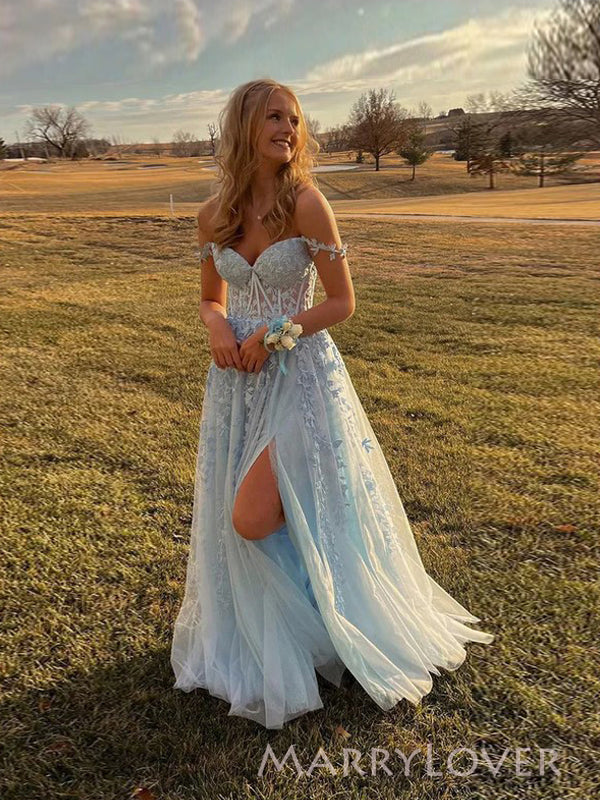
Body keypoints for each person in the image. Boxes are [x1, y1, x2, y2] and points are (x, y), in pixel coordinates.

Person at [170, 78, 494, 729]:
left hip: (301, 376)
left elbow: (342, 302)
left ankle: (339, 601)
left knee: (252, 517)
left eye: (294, 119)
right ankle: (296, 623)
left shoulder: (308, 204)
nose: (288, 129)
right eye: (274, 117)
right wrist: (216, 325)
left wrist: (276, 332)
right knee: (248, 512)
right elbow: (210, 298)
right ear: (243, 127)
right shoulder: (213, 216)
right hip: (237, 384)